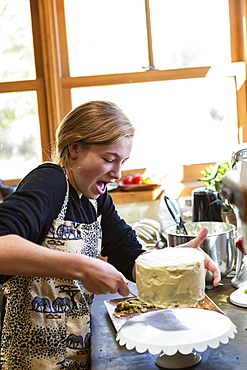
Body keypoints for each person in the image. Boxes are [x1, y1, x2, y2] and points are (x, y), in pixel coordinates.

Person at [0, 100, 221, 369]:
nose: (117, 174)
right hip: (32, 358)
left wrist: (176, 261)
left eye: (123, 162)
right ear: (74, 148)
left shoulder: (96, 199)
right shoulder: (51, 180)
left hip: (76, 351)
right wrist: (83, 268)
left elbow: (130, 256)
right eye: (109, 159)